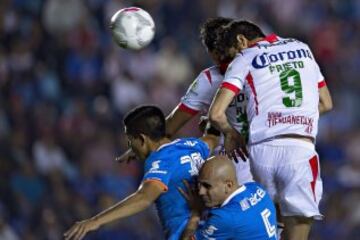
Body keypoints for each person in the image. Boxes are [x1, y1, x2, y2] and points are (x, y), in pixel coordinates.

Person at [209, 20, 333, 240]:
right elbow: (326, 104)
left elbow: (216, 114)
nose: (231, 59)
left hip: (260, 153)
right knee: (297, 233)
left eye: (231, 53)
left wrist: (231, 134)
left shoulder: (245, 58)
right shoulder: (302, 48)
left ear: (241, 40)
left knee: (271, 231)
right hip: (298, 148)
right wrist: (294, 118)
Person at [118, 17, 253, 184]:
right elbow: (170, 126)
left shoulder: (209, 80)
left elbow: (171, 125)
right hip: (242, 163)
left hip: (237, 166)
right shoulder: (261, 66)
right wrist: (142, 143)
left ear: (212, 53)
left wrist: (142, 143)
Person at [64, 105, 219, 240]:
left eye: (131, 141)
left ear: (142, 139)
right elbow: (212, 137)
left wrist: (95, 221)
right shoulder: (192, 145)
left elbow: (144, 197)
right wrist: (210, 122)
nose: (130, 146)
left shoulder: (160, 161)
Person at [179, 155, 277, 240]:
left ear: (228, 185)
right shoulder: (256, 187)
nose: (201, 192)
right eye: (199, 185)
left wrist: (195, 213)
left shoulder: (223, 218)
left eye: (207, 186)